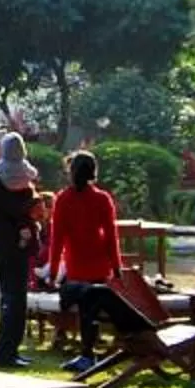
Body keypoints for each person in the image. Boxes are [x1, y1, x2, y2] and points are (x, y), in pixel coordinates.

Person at [44, 152, 142, 373]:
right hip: (99, 263)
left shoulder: (63, 199)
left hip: (77, 263)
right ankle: (91, 351)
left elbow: (57, 239)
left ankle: (87, 353)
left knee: (84, 308)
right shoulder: (102, 199)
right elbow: (110, 237)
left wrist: (52, 272)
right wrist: (117, 269)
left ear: (71, 172)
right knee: (94, 307)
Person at [0, 130, 40, 369]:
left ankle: (11, 349)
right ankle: (4, 353)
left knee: (16, 299)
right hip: (8, 246)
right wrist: (30, 204)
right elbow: (18, 207)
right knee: (13, 300)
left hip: (10, 246)